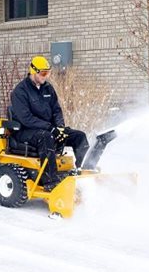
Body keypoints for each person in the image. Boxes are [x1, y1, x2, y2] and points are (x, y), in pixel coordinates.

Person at [9, 55, 90, 189]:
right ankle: (50, 182)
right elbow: (26, 118)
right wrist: (50, 128)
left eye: (48, 73)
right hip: (25, 131)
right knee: (46, 137)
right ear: (33, 71)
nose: (46, 76)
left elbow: (56, 110)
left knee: (79, 136)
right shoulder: (20, 91)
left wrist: (60, 127)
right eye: (43, 73)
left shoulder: (48, 88)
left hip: (48, 128)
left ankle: (85, 170)